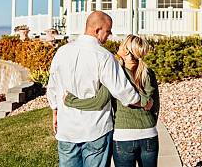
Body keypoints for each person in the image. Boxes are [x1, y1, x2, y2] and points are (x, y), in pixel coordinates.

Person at [46, 11, 142, 167]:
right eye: (108, 32)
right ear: (98, 30)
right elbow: (122, 90)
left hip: (67, 129)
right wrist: (141, 102)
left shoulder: (61, 52)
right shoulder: (104, 56)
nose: (109, 36)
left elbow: (53, 87)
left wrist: (55, 111)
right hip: (96, 129)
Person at [65, 35, 160, 167]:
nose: (118, 47)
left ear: (126, 51)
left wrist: (71, 101)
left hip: (124, 136)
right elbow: (155, 106)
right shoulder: (148, 72)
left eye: (121, 45)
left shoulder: (116, 74)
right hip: (149, 134)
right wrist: (149, 124)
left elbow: (99, 102)